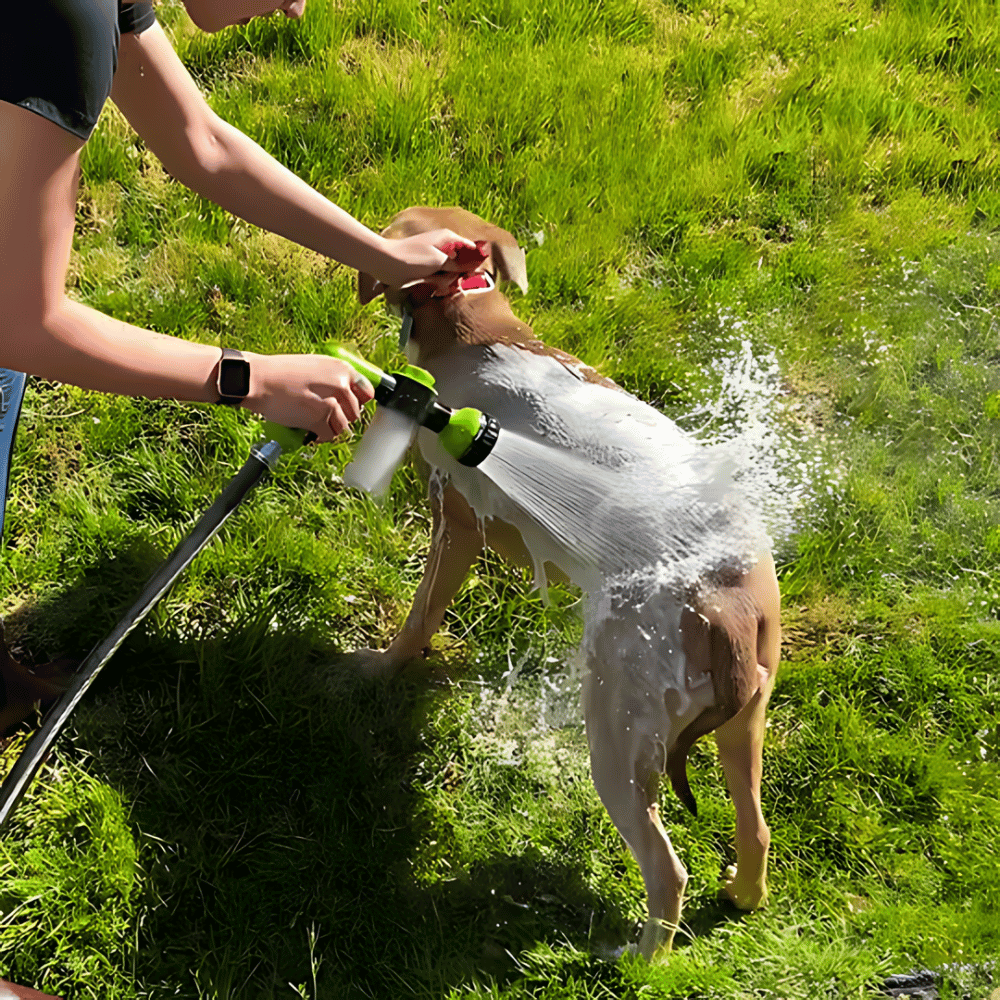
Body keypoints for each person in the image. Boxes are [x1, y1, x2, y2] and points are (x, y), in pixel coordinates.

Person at [0, 0, 475, 726]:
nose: (297, 8)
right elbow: (20, 322)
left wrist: (384, 257)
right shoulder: (54, 19)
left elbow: (201, 143)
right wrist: (251, 379)